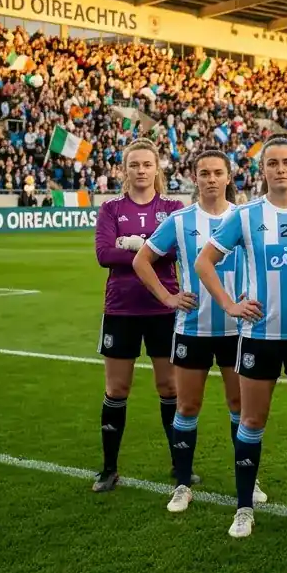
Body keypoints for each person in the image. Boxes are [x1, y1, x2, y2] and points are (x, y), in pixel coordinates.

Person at [194, 136, 287, 538]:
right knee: (251, 419)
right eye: (272, 163)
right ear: (262, 170)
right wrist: (229, 304)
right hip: (258, 336)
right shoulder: (244, 216)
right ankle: (244, 508)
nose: (280, 169)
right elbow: (204, 261)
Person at [132, 148, 267, 513]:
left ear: (228, 177)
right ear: (195, 178)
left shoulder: (246, 218)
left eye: (217, 173)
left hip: (239, 330)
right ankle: (182, 483)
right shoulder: (180, 220)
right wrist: (168, 297)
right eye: (204, 173)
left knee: (240, 407)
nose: (210, 179)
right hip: (192, 328)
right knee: (188, 406)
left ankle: (248, 479)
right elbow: (141, 259)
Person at [91, 138, 185, 493]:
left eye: (147, 164)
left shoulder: (173, 207)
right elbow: (104, 254)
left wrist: (129, 243)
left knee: (169, 386)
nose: (141, 171)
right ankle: (109, 468)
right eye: (134, 165)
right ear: (124, 170)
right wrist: (148, 247)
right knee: (116, 388)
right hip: (122, 308)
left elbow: (174, 251)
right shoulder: (111, 209)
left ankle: (180, 466)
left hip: (164, 307)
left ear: (157, 168)